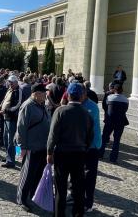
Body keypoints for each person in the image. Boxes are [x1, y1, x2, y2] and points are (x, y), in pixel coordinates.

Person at [47, 82, 93, 217]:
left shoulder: (60, 111)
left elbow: (53, 134)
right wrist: (84, 148)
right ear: (82, 96)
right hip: (79, 154)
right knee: (78, 189)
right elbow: (90, 136)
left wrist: (49, 152)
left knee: (60, 189)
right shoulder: (87, 114)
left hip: (62, 154)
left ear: (68, 95)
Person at [16, 83, 50, 213]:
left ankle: (32, 196)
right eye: (43, 93)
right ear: (36, 94)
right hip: (30, 147)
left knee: (37, 174)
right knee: (27, 174)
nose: (45, 95)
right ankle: (22, 199)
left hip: (41, 146)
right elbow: (21, 128)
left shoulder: (41, 105)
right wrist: (22, 147)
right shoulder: (28, 106)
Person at [81, 84, 102, 213]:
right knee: (79, 174)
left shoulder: (91, 107)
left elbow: (88, 128)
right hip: (80, 146)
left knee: (89, 175)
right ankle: (77, 196)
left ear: (84, 94)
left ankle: (88, 202)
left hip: (91, 146)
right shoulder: (78, 104)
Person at [0, 75, 22, 168]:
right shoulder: (9, 89)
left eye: (11, 82)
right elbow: (4, 101)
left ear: (15, 82)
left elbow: (18, 105)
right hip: (5, 117)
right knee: (5, 138)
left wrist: (6, 111)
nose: (9, 84)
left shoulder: (18, 91)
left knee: (11, 140)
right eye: (9, 82)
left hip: (12, 118)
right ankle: (8, 157)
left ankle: (11, 161)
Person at [99, 83, 129, 163]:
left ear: (114, 90)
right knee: (117, 140)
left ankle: (100, 154)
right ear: (122, 90)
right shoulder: (126, 99)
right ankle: (113, 158)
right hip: (120, 121)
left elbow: (105, 106)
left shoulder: (109, 97)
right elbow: (126, 109)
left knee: (104, 138)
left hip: (110, 120)